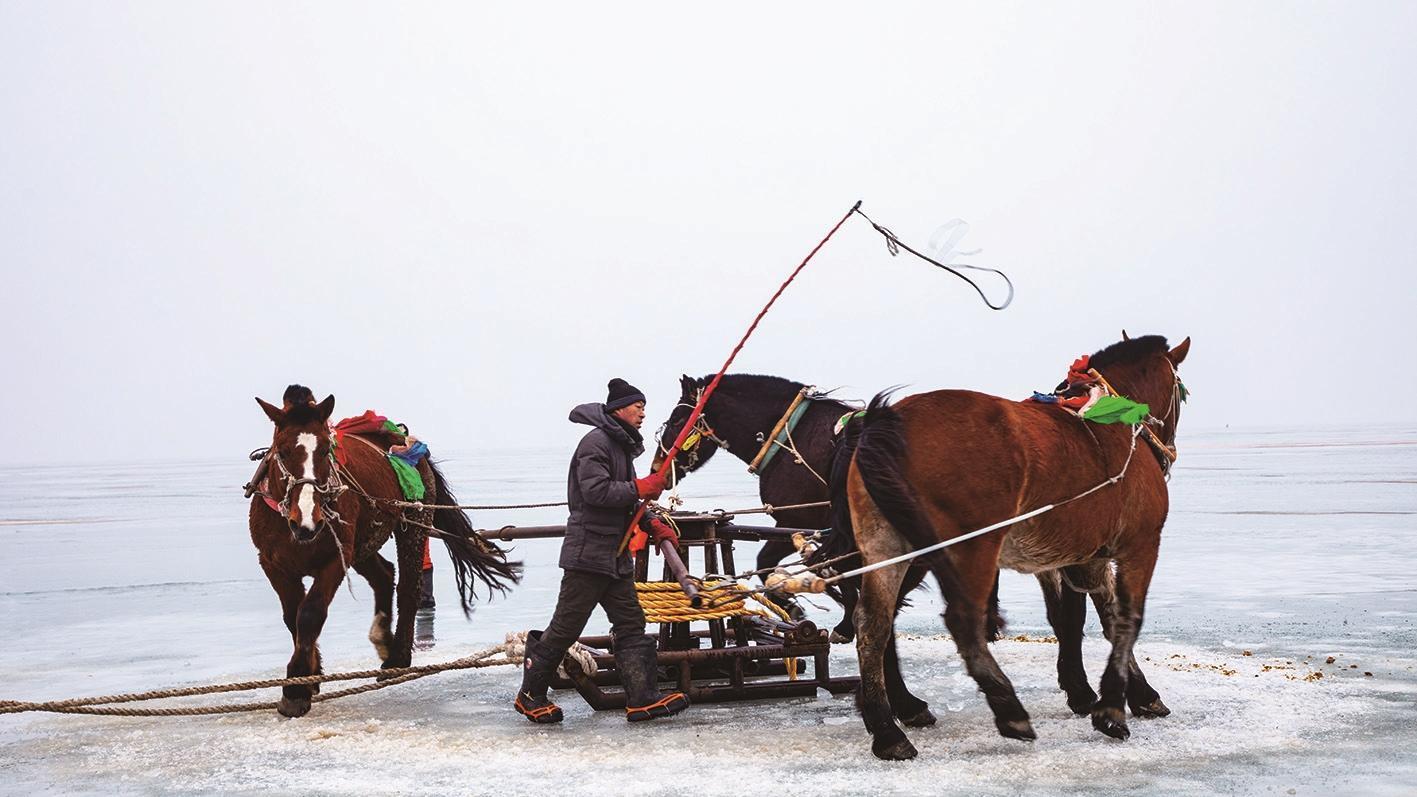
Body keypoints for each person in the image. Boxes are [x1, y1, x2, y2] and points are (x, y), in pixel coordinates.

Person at [514, 378, 689, 724]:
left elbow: (627, 501)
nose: (643, 413)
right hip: (589, 555)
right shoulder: (595, 443)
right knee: (565, 628)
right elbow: (596, 492)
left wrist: (650, 521)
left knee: (631, 623)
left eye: (643, 407)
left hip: (614, 555)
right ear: (618, 409)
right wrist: (642, 486)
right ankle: (529, 696)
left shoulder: (619, 447)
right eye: (637, 406)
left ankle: (642, 698)